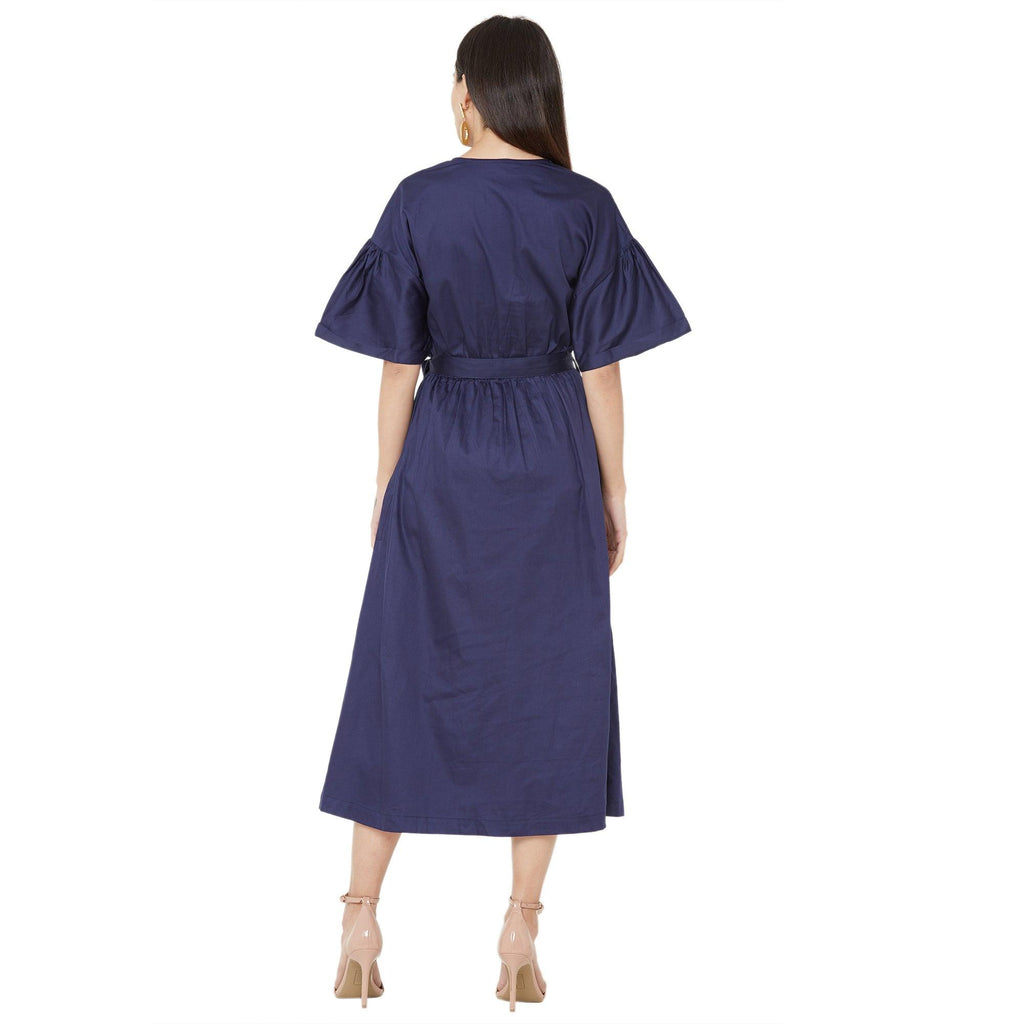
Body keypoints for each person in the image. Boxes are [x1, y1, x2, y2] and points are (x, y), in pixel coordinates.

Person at [314, 15, 692, 1011]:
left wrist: (387, 483)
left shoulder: (418, 199)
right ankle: (520, 929)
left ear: (467, 94)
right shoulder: (585, 205)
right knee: (550, 679)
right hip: (550, 458)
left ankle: (360, 917)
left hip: (443, 449)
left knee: (400, 671)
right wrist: (615, 490)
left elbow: (398, 366)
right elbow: (601, 370)